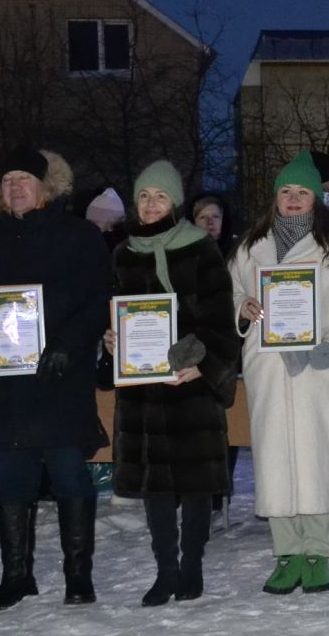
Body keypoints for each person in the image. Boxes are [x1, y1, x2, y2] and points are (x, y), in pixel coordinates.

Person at [0, 147, 113, 611]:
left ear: (47, 186)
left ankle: (78, 576)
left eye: (25, 178)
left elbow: (97, 298)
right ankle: (16, 576)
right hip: (7, 381)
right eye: (7, 181)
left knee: (68, 473)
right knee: (11, 477)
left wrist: (70, 345)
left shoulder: (79, 235)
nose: (15, 187)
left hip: (61, 376)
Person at [231, 151, 329, 593]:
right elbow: (232, 291)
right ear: (275, 198)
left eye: (302, 192)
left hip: (317, 367)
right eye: (286, 192)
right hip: (268, 366)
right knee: (274, 456)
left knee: (316, 454)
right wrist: (242, 308)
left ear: (316, 199)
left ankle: (317, 551)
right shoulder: (250, 247)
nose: (293, 199)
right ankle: (286, 552)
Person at [103, 160, 240, 605]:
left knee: (195, 481)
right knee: (155, 483)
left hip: (189, 379)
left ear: (175, 202)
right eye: (143, 195)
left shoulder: (201, 248)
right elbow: (116, 311)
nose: (150, 203)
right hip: (144, 387)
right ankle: (165, 569)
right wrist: (112, 340)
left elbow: (220, 319)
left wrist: (203, 362)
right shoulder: (123, 253)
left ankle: (192, 566)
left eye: (159, 195)